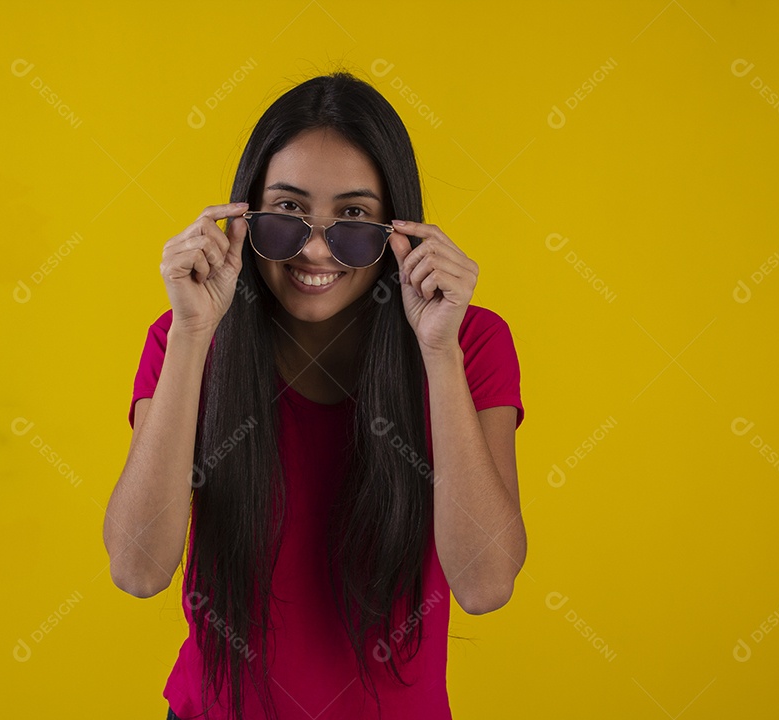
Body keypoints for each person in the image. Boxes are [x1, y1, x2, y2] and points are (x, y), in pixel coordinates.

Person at [103, 71, 526, 720]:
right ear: (244, 217)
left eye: (353, 218)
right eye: (288, 214)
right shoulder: (187, 338)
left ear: (396, 231)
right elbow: (137, 569)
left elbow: (486, 583)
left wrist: (438, 353)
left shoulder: (471, 342)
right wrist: (191, 335)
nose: (316, 249)